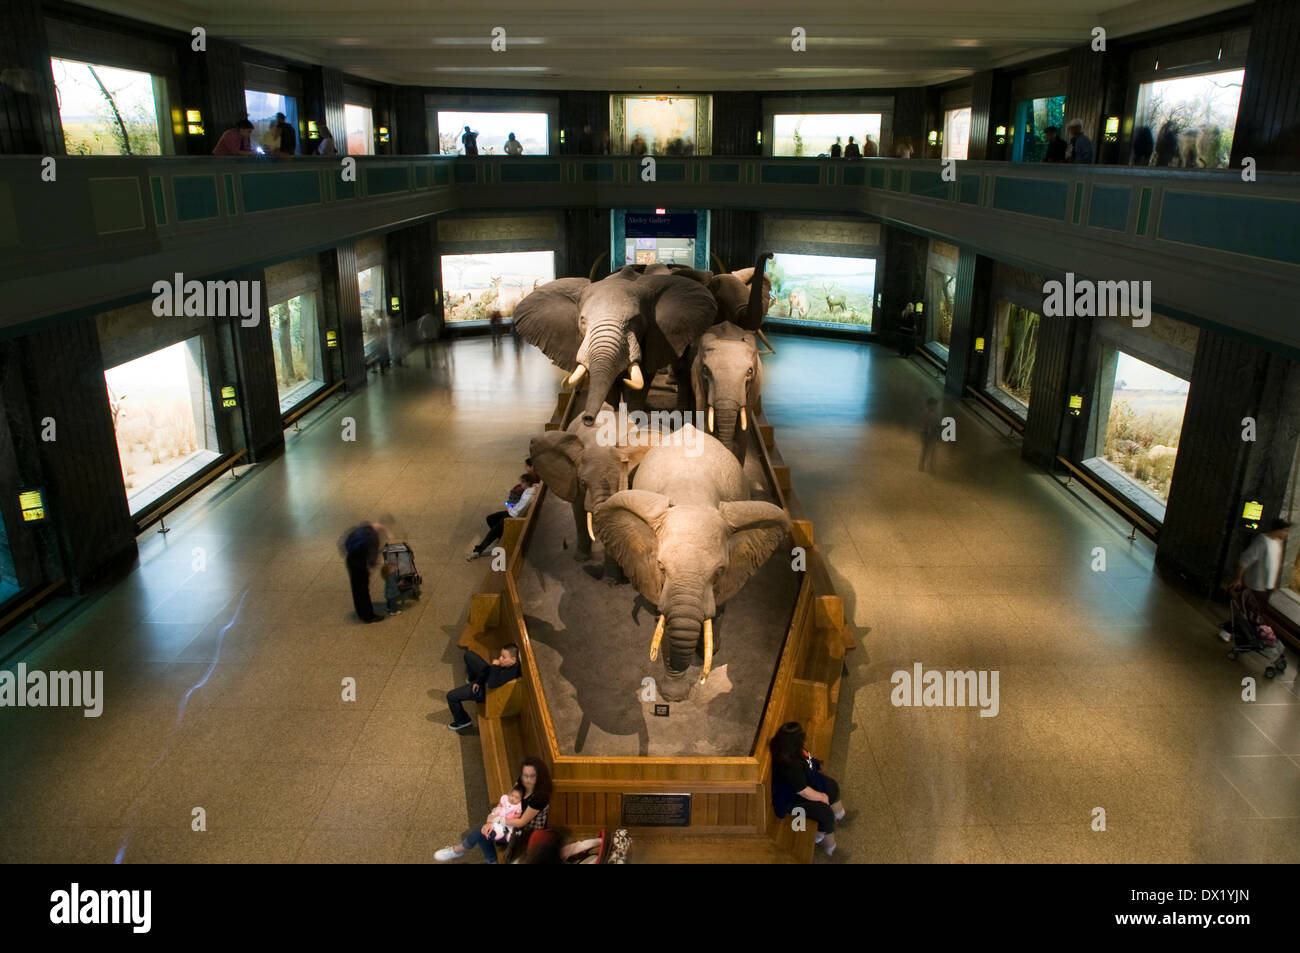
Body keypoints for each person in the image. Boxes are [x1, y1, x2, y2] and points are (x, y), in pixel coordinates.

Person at [435, 757, 552, 863]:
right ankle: (489, 860)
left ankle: (459, 850)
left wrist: (497, 819)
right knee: (485, 830)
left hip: (526, 833)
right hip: (510, 822)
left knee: (482, 832)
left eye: (532, 776)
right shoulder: (521, 783)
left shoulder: (540, 797)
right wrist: (490, 822)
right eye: (525, 775)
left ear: (539, 776)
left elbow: (521, 822)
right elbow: (506, 802)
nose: (527, 780)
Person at [769, 722, 846, 857]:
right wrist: (821, 796)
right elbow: (802, 790)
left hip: (804, 782)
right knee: (825, 813)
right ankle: (830, 848)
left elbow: (806, 759)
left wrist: (816, 764)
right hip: (791, 800)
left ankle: (840, 816)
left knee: (831, 786)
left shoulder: (790, 750)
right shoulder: (788, 765)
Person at [466, 461, 541, 560]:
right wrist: (512, 505)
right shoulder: (531, 488)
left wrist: (509, 506)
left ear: (527, 483)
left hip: (513, 517)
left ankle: (478, 550)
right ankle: (501, 534)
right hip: (514, 512)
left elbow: (518, 512)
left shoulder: (528, 496)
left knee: (494, 530)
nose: (520, 484)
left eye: (522, 482)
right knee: (490, 518)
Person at [447, 644, 522, 731]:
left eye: (503, 657)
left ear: (513, 660)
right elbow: (488, 670)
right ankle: (472, 679)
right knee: (469, 655)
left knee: (451, 696)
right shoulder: (508, 664)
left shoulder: (512, 673)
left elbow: (491, 684)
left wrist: (495, 666)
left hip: (488, 692)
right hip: (487, 680)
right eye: (501, 655)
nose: (500, 658)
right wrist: (478, 681)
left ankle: (463, 721)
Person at [1230, 519, 1292, 610]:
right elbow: (1246, 559)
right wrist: (1238, 578)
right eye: (1285, 531)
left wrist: (1274, 583)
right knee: (1250, 610)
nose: (1286, 534)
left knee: (1258, 611)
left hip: (1267, 587)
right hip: (1256, 585)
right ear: (1278, 530)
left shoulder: (1278, 543)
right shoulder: (1262, 541)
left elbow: (1275, 564)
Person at [341, 520, 386, 623]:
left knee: (356, 588)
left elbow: (343, 541)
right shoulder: (373, 538)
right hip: (360, 565)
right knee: (363, 590)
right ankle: (368, 616)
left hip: (351, 560)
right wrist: (370, 567)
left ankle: (360, 611)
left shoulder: (361, 528)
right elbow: (372, 557)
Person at [919, 396, 941, 473]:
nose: (935, 406)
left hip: (929, 435)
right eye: (934, 405)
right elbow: (928, 426)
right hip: (928, 435)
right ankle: (925, 465)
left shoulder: (930, 413)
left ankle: (926, 465)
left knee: (929, 451)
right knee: (927, 450)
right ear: (930, 405)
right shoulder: (930, 414)